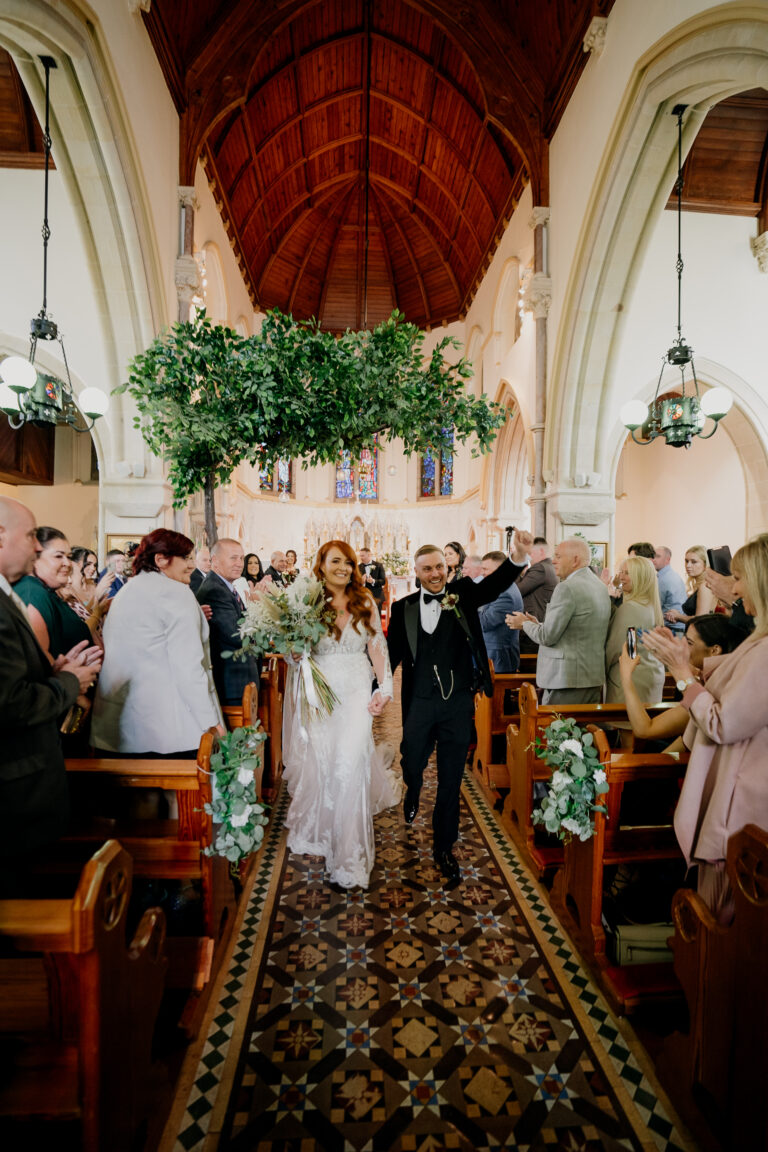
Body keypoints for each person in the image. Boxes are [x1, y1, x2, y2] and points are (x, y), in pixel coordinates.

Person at [640, 535, 768, 923]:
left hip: (742, 801)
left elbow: (723, 722)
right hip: (742, 789)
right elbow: (736, 678)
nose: (736, 587)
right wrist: (685, 662)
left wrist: (682, 675)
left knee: (723, 917)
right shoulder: (759, 642)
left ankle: (707, 981)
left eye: (742, 577)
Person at [388, 535, 526, 883]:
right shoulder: (401, 607)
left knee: (451, 779)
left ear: (447, 568)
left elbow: (495, 584)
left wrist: (518, 556)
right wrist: (374, 689)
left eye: (439, 567)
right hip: (419, 702)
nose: (435, 574)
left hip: (457, 702)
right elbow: (390, 655)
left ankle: (443, 847)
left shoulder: (463, 593)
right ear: (415, 572)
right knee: (412, 759)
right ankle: (413, 786)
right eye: (427, 569)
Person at [282, 540, 400, 890]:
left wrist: (385, 688)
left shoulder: (364, 600)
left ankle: (349, 854)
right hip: (319, 693)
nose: (344, 568)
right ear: (321, 563)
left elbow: (377, 646)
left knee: (350, 763)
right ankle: (322, 828)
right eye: (336, 561)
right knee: (325, 761)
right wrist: (294, 654)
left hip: (355, 693)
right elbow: (293, 651)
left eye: (349, 563)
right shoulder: (306, 600)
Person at [0, 497, 101, 892]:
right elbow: (10, 703)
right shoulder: (22, 597)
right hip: (14, 788)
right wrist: (68, 683)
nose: (36, 546)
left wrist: (53, 671)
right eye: (31, 536)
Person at [92, 529, 223, 756]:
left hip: (122, 725)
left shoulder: (127, 591)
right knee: (184, 792)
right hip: (169, 726)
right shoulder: (176, 593)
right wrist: (210, 723)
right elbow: (188, 667)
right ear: (161, 560)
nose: (191, 565)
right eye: (186, 558)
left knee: (144, 792)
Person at [506, 536, 611, 704]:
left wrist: (524, 624)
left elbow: (547, 636)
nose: (553, 561)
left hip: (566, 678)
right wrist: (536, 624)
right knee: (584, 730)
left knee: (558, 729)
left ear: (575, 560)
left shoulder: (567, 587)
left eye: (558, 556)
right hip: (590, 676)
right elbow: (574, 629)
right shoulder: (598, 585)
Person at [619, 614, 745, 746]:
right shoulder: (715, 676)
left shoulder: (712, 689)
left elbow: (644, 729)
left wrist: (626, 676)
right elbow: (685, 742)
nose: (682, 647)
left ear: (715, 650)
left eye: (689, 643)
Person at [196, 538, 261, 707]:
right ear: (215, 561)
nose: (239, 563)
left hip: (241, 680)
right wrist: (255, 609)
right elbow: (237, 635)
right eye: (233, 558)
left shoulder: (225, 586)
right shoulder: (214, 590)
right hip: (233, 682)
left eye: (241, 558)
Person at [14, 527, 93, 660]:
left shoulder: (46, 591)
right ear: (34, 558)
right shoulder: (33, 594)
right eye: (58, 556)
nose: (67, 563)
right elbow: (38, 663)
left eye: (68, 557)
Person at [604, 555, 665, 703]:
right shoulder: (650, 605)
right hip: (651, 675)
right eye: (621, 572)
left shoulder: (630, 608)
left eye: (627, 573)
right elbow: (633, 645)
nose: (621, 577)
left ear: (640, 578)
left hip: (632, 679)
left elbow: (618, 648)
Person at [478, 550, 524, 672]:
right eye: (482, 569)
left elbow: (485, 623)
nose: (482, 573)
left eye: (486, 569)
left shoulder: (505, 594)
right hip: (491, 654)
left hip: (498, 658)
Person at [515, 536, 558, 652]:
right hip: (541, 623)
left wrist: (518, 570)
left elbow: (517, 591)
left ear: (541, 551)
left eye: (529, 553)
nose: (528, 557)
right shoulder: (550, 567)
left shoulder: (540, 568)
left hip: (532, 628)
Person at [665, 545, 716, 626]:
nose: (688, 565)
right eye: (686, 561)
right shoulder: (700, 585)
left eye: (694, 562)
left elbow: (699, 620)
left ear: (705, 564)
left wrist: (678, 616)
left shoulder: (705, 586)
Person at [653, 546, 686, 633]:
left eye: (658, 556)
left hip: (673, 629)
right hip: (677, 627)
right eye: (653, 556)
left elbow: (656, 606)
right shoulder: (670, 575)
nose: (653, 559)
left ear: (667, 560)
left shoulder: (665, 579)